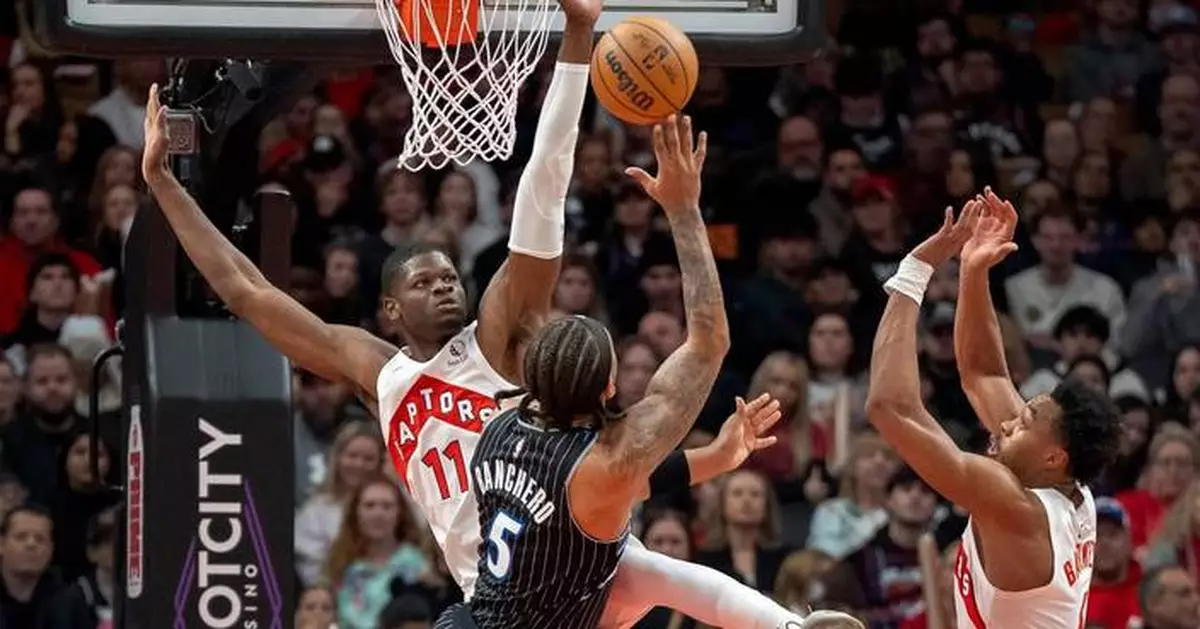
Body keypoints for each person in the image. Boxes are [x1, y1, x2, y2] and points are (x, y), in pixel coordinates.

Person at [139, 6, 856, 628]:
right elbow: (248, 292)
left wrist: (577, 45)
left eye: (451, 274)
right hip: (507, 587)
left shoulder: (496, 337)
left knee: (641, 565)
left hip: (559, 564)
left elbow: (543, 193)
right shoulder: (375, 370)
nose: (447, 286)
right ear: (390, 308)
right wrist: (164, 184)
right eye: (425, 281)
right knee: (641, 567)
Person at [864, 191, 1121, 629]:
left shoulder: (1016, 507)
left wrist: (914, 270)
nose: (1007, 422)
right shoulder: (1066, 483)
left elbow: (890, 407)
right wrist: (974, 270)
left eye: (1023, 423)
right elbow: (985, 376)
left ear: (1053, 456)